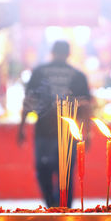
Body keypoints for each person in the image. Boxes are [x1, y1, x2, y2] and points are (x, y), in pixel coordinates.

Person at [17, 40, 91, 208]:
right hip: (68, 133)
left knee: (43, 172)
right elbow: (86, 106)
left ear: (52, 52)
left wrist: (21, 128)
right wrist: (88, 133)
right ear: (68, 53)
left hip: (44, 132)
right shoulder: (78, 75)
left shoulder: (39, 72)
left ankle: (51, 206)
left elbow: (28, 101)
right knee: (65, 174)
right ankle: (64, 210)